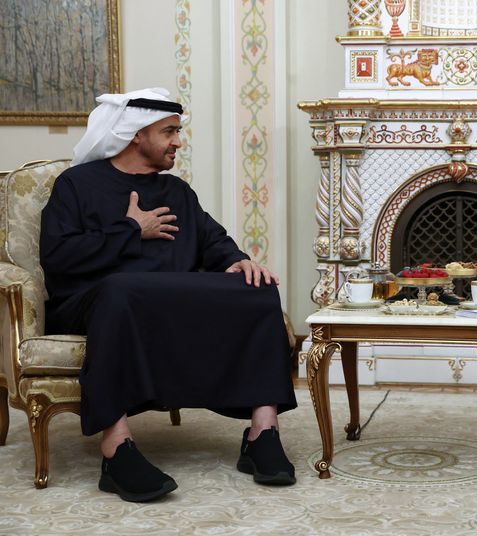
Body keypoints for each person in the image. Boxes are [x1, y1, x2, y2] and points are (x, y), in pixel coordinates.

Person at [39, 88, 298, 502]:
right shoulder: (77, 185)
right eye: (170, 132)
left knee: (259, 288)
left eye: (178, 131)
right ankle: (116, 447)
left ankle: (262, 433)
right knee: (123, 287)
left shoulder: (176, 191)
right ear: (136, 134)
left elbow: (213, 241)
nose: (178, 141)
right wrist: (129, 230)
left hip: (168, 300)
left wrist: (236, 260)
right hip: (95, 302)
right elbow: (56, 256)